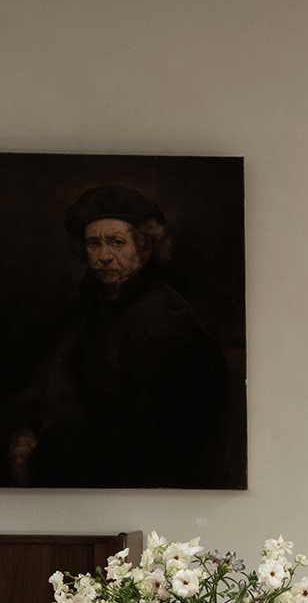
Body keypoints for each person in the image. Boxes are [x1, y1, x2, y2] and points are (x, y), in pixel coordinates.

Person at [3, 184, 232, 488]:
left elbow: (147, 442)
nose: (104, 256)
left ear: (144, 247)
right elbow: (51, 381)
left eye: (116, 242)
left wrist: (43, 455)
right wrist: (25, 433)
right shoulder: (89, 305)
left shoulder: (166, 323)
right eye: (93, 243)